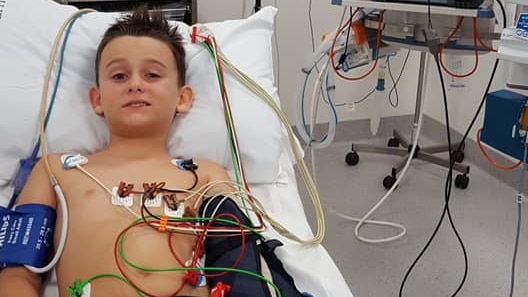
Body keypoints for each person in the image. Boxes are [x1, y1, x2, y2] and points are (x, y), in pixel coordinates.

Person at [0, 6, 235, 297]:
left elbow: (237, 265)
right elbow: (16, 275)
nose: (135, 84)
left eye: (151, 74)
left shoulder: (207, 174)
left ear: (182, 98)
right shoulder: (56, 170)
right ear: (97, 99)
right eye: (120, 76)